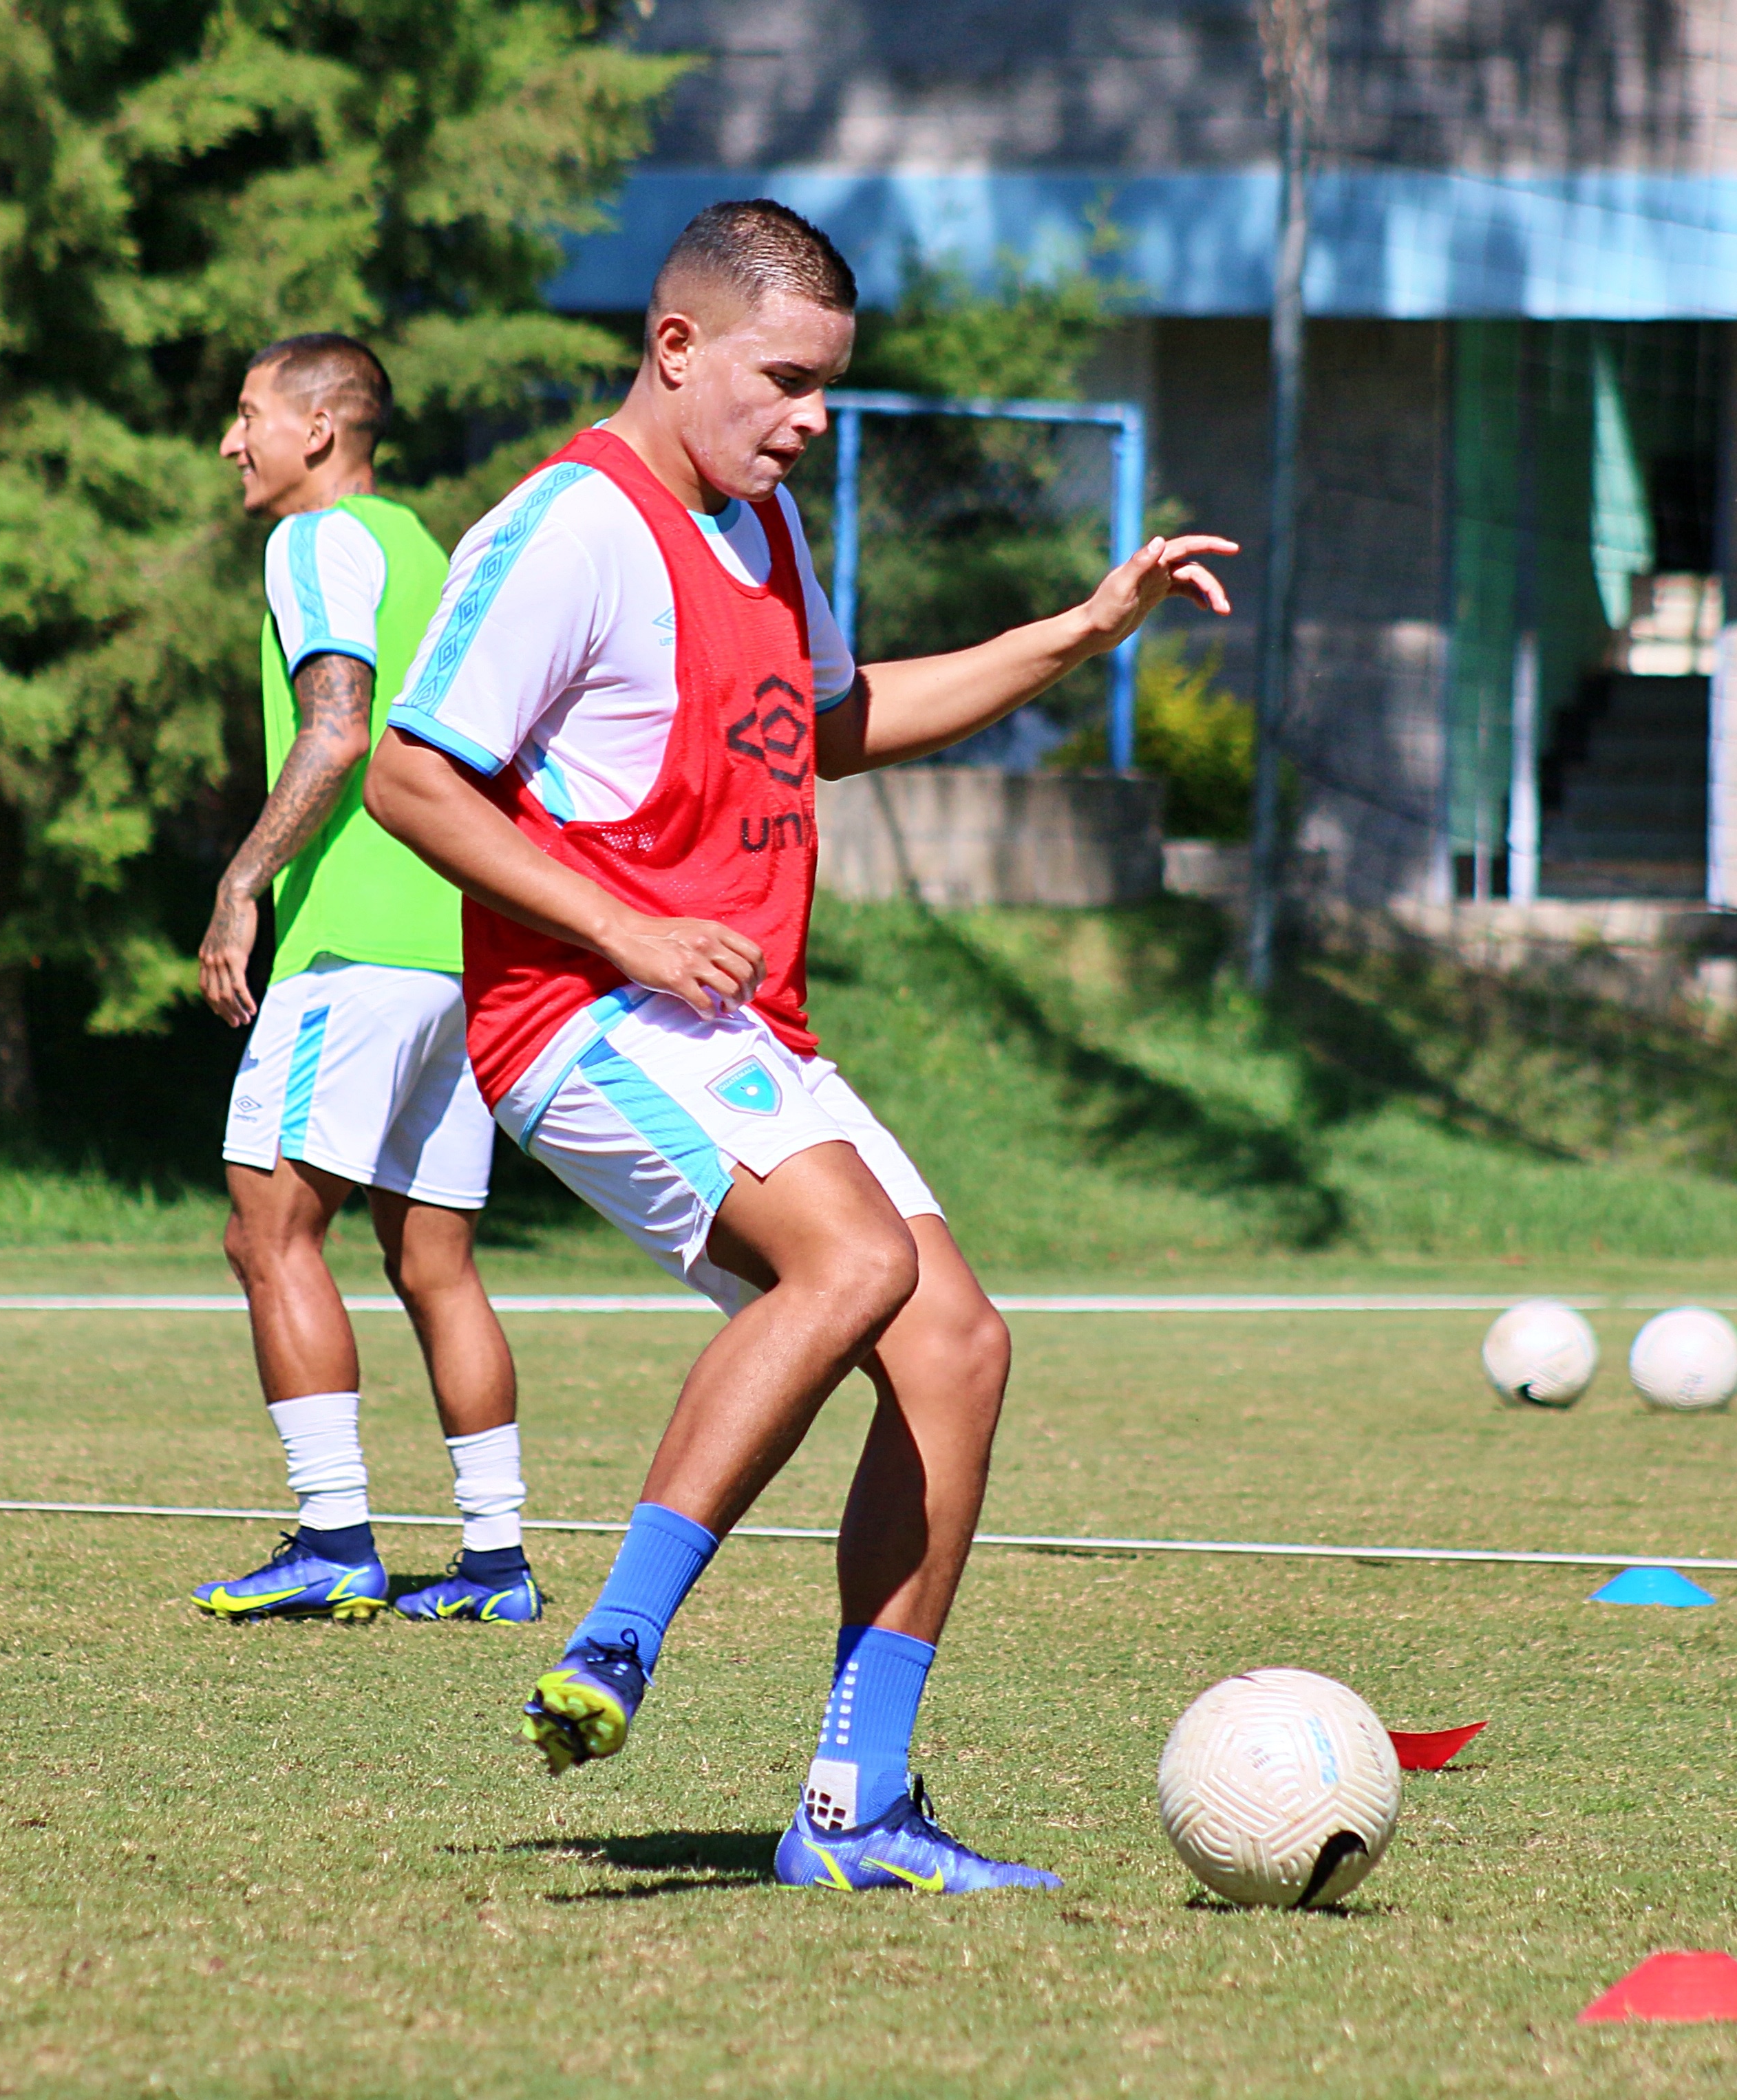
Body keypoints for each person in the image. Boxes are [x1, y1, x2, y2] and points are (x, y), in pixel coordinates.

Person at [366, 201, 1233, 1891]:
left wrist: (1080, 631)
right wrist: (623, 930)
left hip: (729, 1022)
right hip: (580, 1012)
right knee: (848, 1263)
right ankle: (616, 1640)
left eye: (829, 386)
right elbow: (410, 777)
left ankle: (857, 1806)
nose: (813, 419)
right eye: (786, 381)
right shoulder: (565, 527)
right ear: (676, 347)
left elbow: (834, 724)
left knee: (961, 1345)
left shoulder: (765, 528)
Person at [193, 333, 537, 1627]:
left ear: (321, 428)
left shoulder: (314, 543)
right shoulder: (422, 549)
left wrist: (242, 883)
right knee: (433, 1259)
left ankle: (335, 1538)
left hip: (354, 947)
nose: (234, 444)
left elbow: (338, 727)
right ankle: (497, 1562)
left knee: (266, 1230)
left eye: (248, 416)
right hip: (463, 947)